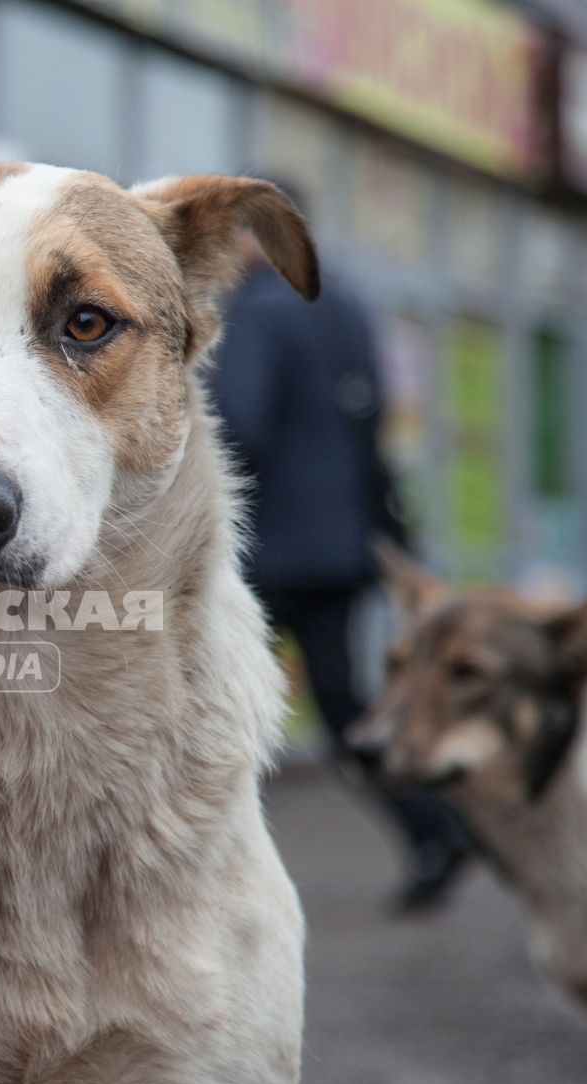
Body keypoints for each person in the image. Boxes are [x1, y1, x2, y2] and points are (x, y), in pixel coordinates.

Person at [210, 181, 482, 914]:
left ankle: (200, 870)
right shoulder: (348, 305)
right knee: (337, 699)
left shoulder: (260, 312)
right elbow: (371, 428)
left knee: (210, 694)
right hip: (340, 546)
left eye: (234, 233)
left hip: (271, 547)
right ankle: (434, 825)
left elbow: (239, 426)